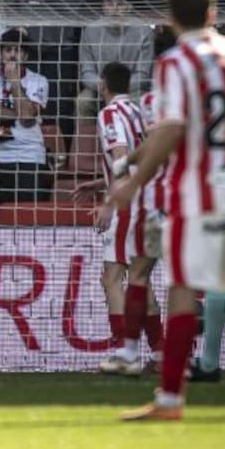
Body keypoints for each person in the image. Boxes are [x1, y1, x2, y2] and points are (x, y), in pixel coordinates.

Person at [105, 0, 225, 420]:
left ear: (169, 19)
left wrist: (132, 180)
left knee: (183, 289)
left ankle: (169, 400)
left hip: (197, 192)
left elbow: (172, 126)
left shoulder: (176, 62)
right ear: (213, 13)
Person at [70, 62, 161, 377]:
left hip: (129, 203)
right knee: (139, 279)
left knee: (111, 278)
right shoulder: (136, 111)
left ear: (103, 85)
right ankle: (160, 352)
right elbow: (140, 157)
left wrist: (110, 201)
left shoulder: (108, 114)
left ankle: (126, 353)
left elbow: (122, 157)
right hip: (149, 199)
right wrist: (100, 182)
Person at [0, 28, 51, 203]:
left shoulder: (39, 80)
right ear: (1, 54)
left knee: (28, 215)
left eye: (18, 50)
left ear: (26, 56)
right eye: (8, 50)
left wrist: (14, 81)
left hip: (29, 154)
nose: (13, 55)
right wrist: (19, 111)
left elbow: (28, 117)